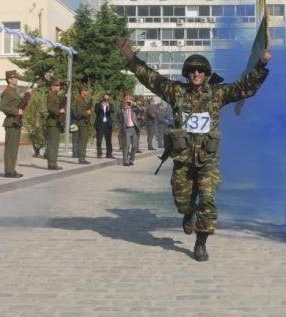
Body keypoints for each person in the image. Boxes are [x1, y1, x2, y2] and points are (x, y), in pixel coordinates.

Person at [117, 38, 272, 262]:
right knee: (183, 201)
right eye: (192, 70)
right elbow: (151, 78)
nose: (196, 73)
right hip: (183, 160)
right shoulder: (175, 92)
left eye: (200, 70)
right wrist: (130, 57)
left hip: (208, 159)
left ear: (206, 73)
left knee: (207, 199)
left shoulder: (217, 94)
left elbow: (244, 88)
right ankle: (188, 213)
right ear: (186, 74)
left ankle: (201, 242)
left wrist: (261, 66)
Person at [0, 70, 31, 178]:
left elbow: (22, 105)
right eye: (14, 78)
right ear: (9, 80)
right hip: (11, 122)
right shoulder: (7, 92)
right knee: (10, 148)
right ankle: (8, 171)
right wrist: (16, 111)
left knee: (14, 148)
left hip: (16, 122)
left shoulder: (14, 91)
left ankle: (12, 169)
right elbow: (2, 107)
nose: (16, 79)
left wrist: (28, 95)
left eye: (16, 78)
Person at [44, 77, 66, 169]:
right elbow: (49, 107)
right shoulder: (50, 95)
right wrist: (59, 111)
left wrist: (65, 97)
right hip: (52, 122)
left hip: (56, 122)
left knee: (55, 144)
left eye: (59, 86)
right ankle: (51, 164)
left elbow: (60, 103)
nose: (58, 87)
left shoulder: (56, 96)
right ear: (52, 86)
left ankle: (53, 162)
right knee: (53, 144)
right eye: (56, 85)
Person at [71, 86, 93, 164]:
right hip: (82, 123)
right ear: (81, 92)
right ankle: (81, 158)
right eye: (84, 91)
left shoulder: (83, 100)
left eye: (86, 91)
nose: (86, 92)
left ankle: (82, 157)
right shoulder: (80, 100)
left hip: (84, 123)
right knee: (82, 141)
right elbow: (79, 112)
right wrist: (86, 113)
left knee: (84, 141)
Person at [118, 93, 141, 166]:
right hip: (126, 129)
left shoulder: (134, 109)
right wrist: (123, 109)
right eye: (127, 98)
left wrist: (133, 103)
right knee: (126, 146)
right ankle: (125, 161)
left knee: (134, 146)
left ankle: (131, 159)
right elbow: (118, 117)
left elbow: (140, 109)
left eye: (129, 98)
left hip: (134, 129)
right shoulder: (122, 109)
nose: (128, 100)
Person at [94, 92, 115, 158]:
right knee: (99, 139)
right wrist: (101, 106)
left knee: (108, 140)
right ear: (103, 97)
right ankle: (99, 153)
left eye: (107, 97)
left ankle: (109, 154)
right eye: (105, 97)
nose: (106, 98)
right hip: (100, 123)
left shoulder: (110, 104)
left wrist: (108, 107)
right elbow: (96, 110)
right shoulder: (98, 104)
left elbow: (112, 111)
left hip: (108, 124)